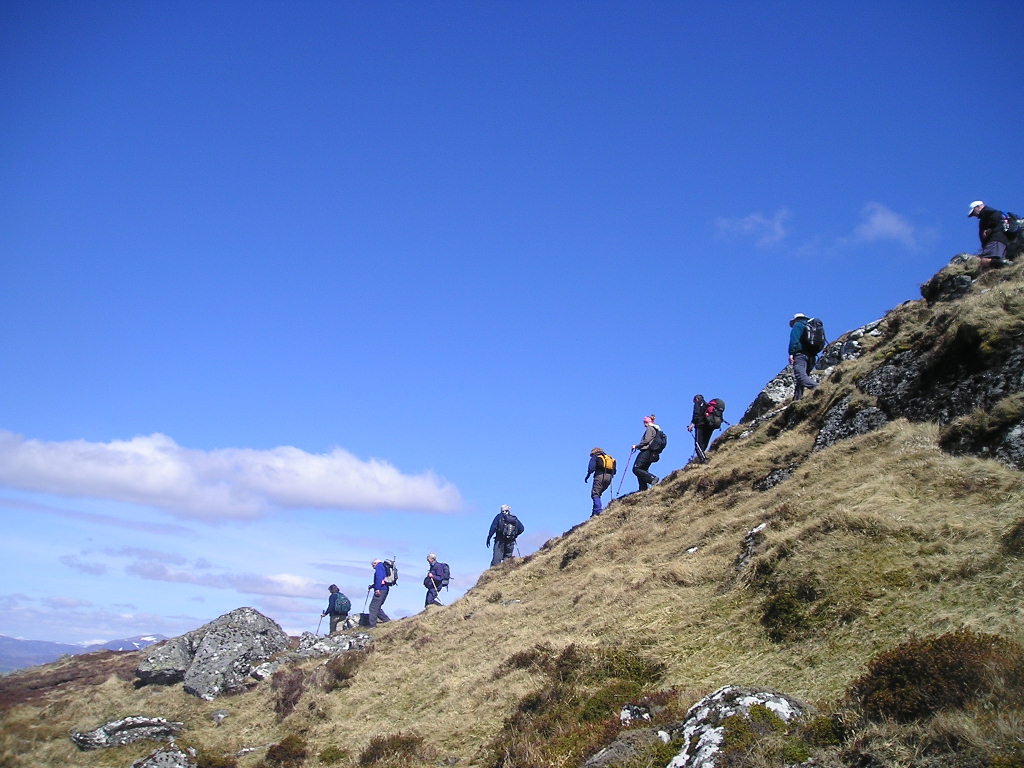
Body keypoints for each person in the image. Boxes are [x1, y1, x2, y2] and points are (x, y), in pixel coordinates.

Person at [967, 200, 1010, 269]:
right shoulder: (988, 213)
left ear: (978, 207)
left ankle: (1004, 264)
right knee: (990, 261)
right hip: (1000, 241)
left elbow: (998, 223)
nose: (974, 215)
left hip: (994, 240)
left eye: (973, 212)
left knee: (984, 261)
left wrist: (990, 230)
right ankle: (1003, 265)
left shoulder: (988, 213)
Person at [788, 313, 819, 401]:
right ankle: (797, 399)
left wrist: (791, 353)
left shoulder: (798, 325)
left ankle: (817, 387)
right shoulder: (811, 326)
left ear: (795, 320)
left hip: (800, 355)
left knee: (800, 375)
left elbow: (794, 340)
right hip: (812, 356)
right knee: (801, 378)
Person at [632, 415, 662, 491]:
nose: (644, 424)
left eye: (644, 422)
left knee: (636, 469)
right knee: (643, 469)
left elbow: (646, 440)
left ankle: (652, 479)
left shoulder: (650, 428)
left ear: (647, 422)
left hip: (646, 451)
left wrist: (636, 446)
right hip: (651, 452)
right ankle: (643, 489)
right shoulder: (656, 429)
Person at [584, 447, 615, 516]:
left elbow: (591, 468)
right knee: (598, 494)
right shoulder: (609, 458)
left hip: (599, 476)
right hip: (609, 477)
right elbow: (615, 470)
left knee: (595, 494)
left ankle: (598, 511)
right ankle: (594, 513)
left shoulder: (596, 456)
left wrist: (588, 475)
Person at [366, 559, 392, 627]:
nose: (373, 567)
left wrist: (377, 589)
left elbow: (379, 577)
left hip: (381, 589)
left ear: (375, 563)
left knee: (373, 607)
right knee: (377, 607)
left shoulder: (379, 567)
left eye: (373, 565)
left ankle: (372, 625)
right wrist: (372, 586)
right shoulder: (384, 567)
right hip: (385, 588)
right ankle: (387, 621)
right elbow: (383, 579)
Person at [687, 395, 713, 461]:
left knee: (698, 444)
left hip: (700, 425)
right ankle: (704, 457)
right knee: (704, 443)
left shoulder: (698, 403)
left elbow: (696, 414)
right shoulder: (707, 404)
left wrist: (692, 424)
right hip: (708, 426)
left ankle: (703, 460)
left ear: (696, 399)